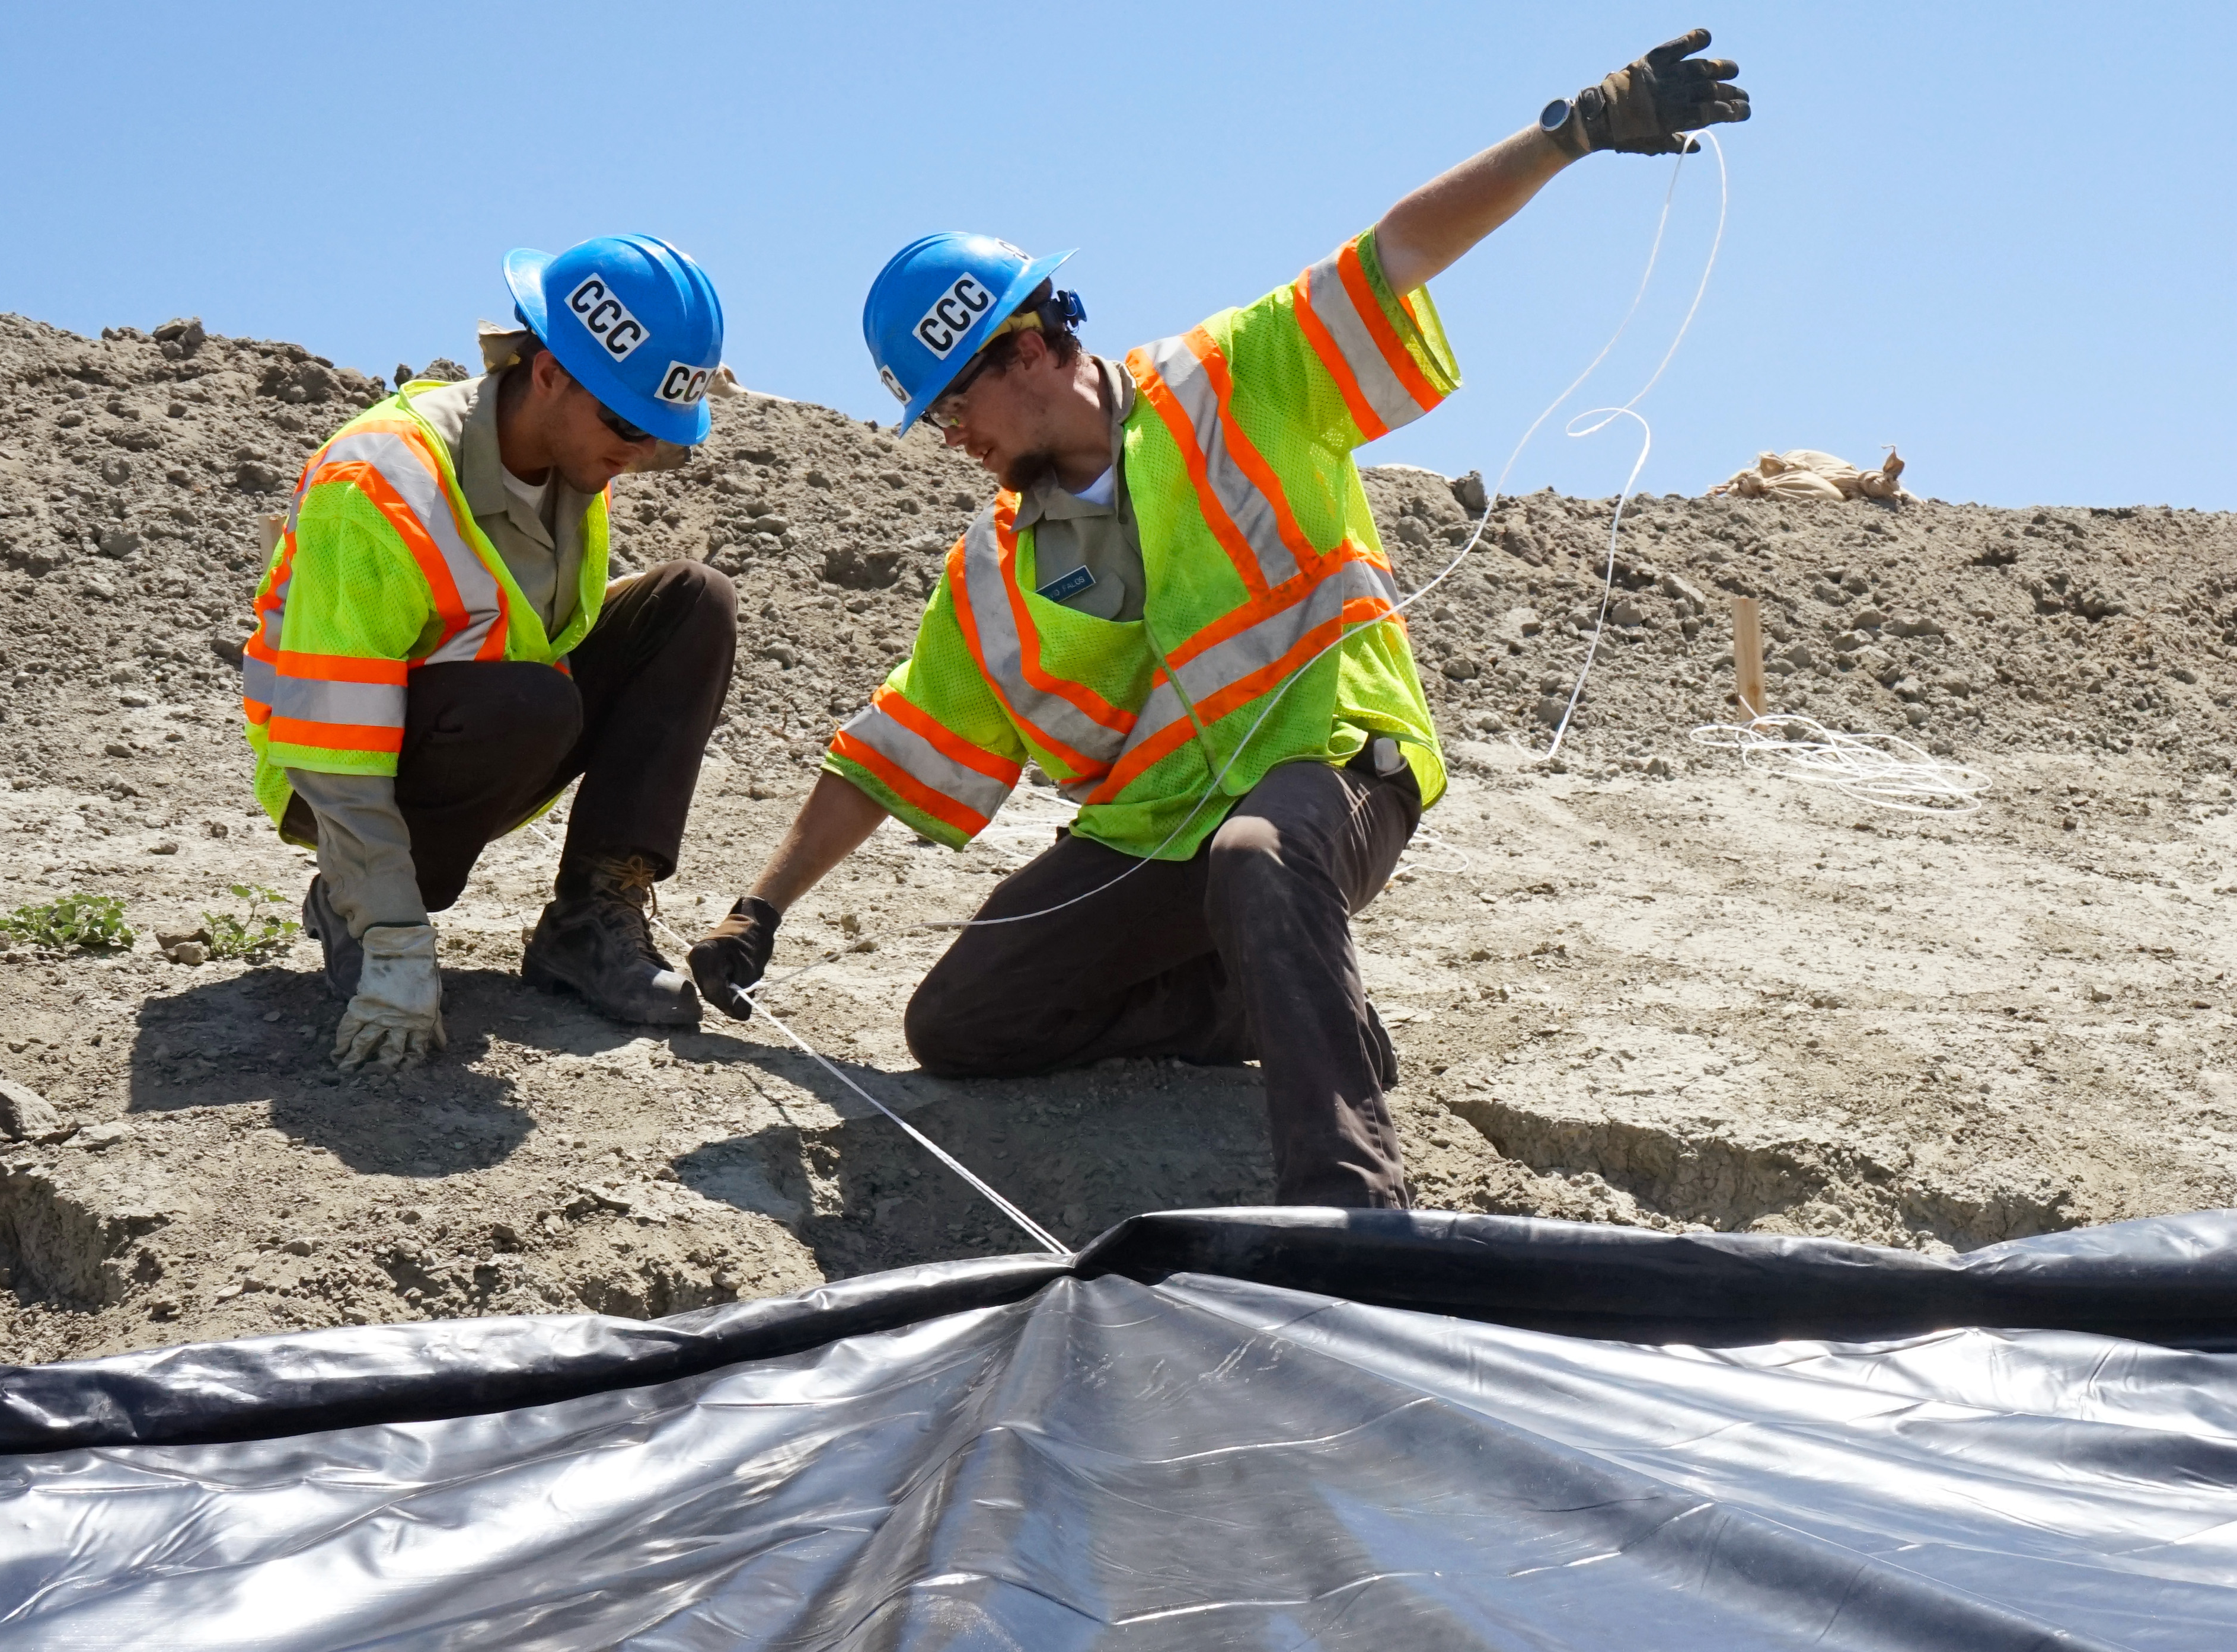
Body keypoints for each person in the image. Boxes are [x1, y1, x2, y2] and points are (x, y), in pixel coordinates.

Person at [685, 33, 1750, 1208]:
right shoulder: (996, 567)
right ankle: (1268, 993)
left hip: (1334, 762)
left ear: (1029, 349)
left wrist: (1577, 130)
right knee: (964, 1018)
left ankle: (1349, 1201)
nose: (956, 440)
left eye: (955, 405)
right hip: (1155, 837)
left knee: (1260, 852)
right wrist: (761, 907)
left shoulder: (1232, 377)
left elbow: (1394, 254)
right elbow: (891, 750)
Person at [238, 234, 742, 1070]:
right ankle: (353, 904)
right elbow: (332, 733)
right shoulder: (378, 483)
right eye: (626, 423)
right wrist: (393, 937)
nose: (639, 452)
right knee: (529, 703)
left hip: (490, 724)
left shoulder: (574, 464)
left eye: (658, 433)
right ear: (547, 374)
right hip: (333, 775)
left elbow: (544, 639)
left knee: (693, 603)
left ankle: (588, 920)